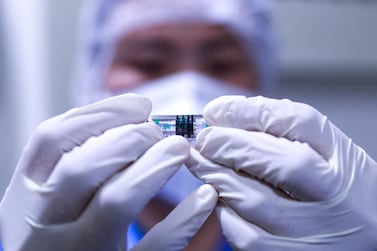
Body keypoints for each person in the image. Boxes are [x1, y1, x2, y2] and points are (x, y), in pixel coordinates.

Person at [1, 1, 377, 251]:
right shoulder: (30, 236)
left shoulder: (324, 234)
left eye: (221, 63)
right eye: (149, 62)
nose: (188, 87)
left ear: (260, 85)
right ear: (93, 79)